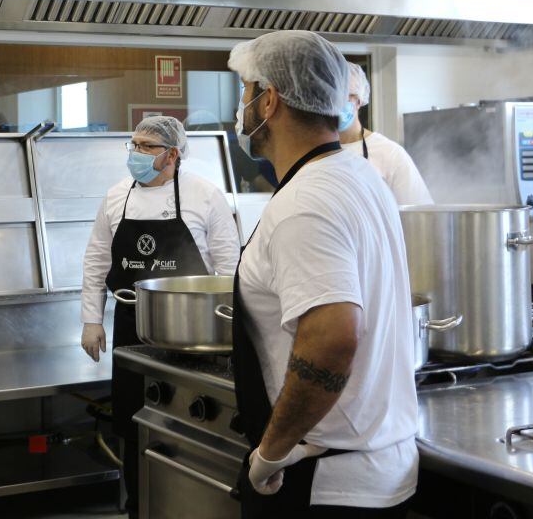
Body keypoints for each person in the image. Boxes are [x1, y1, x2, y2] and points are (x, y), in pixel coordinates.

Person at [228, 30, 417, 517]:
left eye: (245, 91)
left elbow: (331, 339)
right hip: (374, 467)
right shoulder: (360, 177)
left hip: (325, 481)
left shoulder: (304, 203)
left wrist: (269, 454)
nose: (241, 107)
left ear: (268, 100)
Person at [79, 115, 241, 518]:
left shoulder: (205, 195)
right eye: (132, 145)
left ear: (172, 154)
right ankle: (140, 506)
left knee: (191, 423)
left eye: (145, 147)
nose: (134, 153)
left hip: (195, 328)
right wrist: (91, 319)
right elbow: (97, 260)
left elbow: (231, 266)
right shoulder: (117, 196)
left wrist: (233, 330)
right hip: (133, 324)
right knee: (135, 422)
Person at [338, 62, 432, 205]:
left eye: (342, 97)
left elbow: (419, 212)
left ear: (358, 100)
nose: (334, 105)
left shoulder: (390, 153)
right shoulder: (313, 152)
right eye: (329, 99)